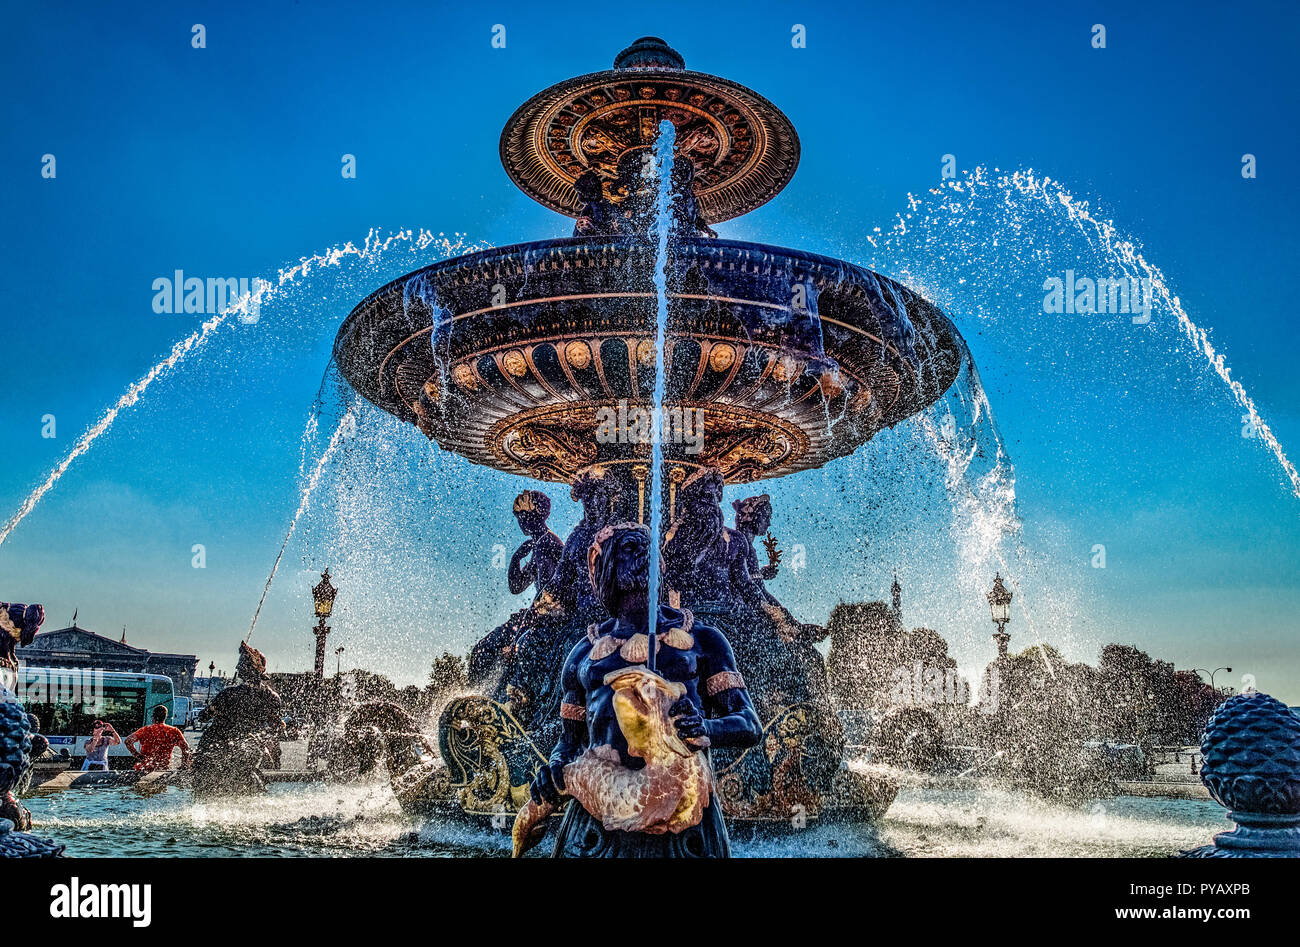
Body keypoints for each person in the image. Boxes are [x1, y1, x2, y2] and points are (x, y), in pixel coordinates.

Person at [528, 522, 762, 857]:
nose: (641, 553)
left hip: (684, 827)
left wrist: (705, 727)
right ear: (604, 567)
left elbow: (749, 724)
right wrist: (553, 767)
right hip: (596, 828)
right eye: (628, 548)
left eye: (646, 547)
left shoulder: (704, 640)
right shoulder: (583, 653)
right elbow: (568, 742)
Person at [124, 705, 191, 772]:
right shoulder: (173, 731)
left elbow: (128, 741)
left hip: (145, 768)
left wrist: (137, 755)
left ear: (153, 717)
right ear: (165, 717)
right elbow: (185, 747)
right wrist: (184, 765)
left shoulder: (145, 730)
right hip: (162, 769)